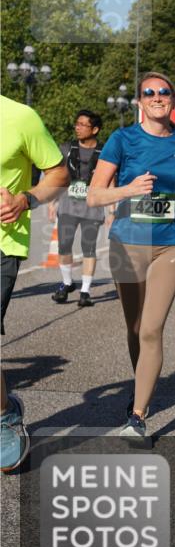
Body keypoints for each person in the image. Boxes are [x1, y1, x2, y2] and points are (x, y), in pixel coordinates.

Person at [87, 72, 175, 441]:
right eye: (149, 93)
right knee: (135, 328)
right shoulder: (122, 140)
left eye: (164, 92)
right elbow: (93, 195)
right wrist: (128, 189)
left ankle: (137, 415)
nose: (157, 97)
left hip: (172, 243)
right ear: (140, 101)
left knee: (153, 328)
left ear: (174, 99)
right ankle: (143, 384)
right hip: (126, 243)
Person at [1, 95, 70, 472]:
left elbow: (59, 174)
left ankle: (3, 418)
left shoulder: (19, 116)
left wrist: (25, 199)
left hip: (1, 241)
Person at [49, 110, 109, 307]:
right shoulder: (66, 148)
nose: (78, 127)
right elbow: (58, 176)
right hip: (67, 205)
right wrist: (52, 202)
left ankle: (85, 291)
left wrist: (113, 210)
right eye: (77, 123)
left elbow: (112, 180)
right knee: (64, 246)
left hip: (92, 207)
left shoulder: (105, 152)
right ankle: (67, 284)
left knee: (88, 247)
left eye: (83, 124)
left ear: (95, 129)